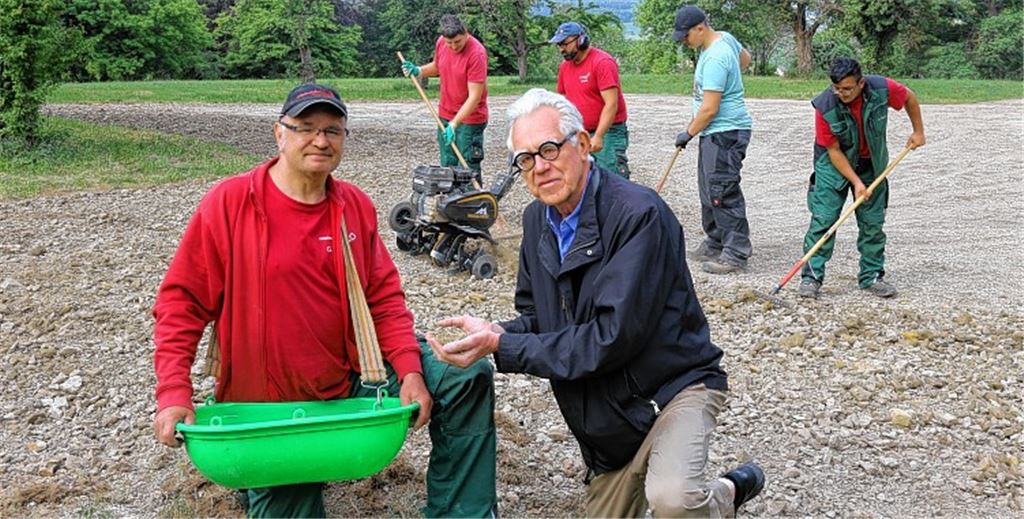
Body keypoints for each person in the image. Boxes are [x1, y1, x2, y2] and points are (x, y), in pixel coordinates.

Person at [151, 83, 497, 518]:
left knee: (465, 375)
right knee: (287, 501)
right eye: (306, 128)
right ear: (280, 133)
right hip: (271, 406)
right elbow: (181, 303)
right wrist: (174, 391)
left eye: (333, 130)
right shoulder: (231, 203)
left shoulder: (353, 205)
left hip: (352, 376)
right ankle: (260, 486)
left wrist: (409, 369)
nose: (320, 140)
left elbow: (383, 298)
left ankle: (462, 512)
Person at [425, 88, 764, 518]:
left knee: (672, 497)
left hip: (672, 389)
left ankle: (723, 495)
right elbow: (538, 317)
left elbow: (611, 337)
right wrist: (497, 333)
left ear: (583, 144)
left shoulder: (639, 214)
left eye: (549, 149)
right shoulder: (536, 220)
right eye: (525, 159)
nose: (540, 167)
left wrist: (504, 347)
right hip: (611, 418)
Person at [798, 57, 926, 299]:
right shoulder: (825, 106)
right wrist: (856, 183)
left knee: (872, 223)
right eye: (836, 88)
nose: (841, 93)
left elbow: (909, 97)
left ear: (861, 83)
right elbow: (833, 151)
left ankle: (872, 276)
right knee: (824, 220)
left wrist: (918, 131)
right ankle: (811, 277)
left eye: (847, 88)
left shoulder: (882, 89)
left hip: (871, 165)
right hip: (832, 165)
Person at [673, 5, 754, 275]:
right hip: (714, 132)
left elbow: (710, 109)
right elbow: (746, 60)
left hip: (725, 132)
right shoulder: (725, 39)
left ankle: (736, 253)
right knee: (708, 188)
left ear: (700, 28)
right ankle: (715, 241)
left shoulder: (716, 57)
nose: (684, 42)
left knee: (722, 191)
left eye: (686, 36)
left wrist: (688, 133)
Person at [402, 14, 489, 177]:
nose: (453, 46)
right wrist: (418, 70)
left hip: (470, 120)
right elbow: (437, 66)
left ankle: (472, 194)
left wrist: (454, 124)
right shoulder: (441, 43)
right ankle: (450, 194)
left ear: (466, 32)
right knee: (447, 165)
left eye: (457, 41)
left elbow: (475, 97)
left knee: (467, 169)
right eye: (449, 42)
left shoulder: (477, 54)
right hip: (445, 114)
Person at [549, 21, 631, 179]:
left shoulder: (602, 63)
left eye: (565, 44)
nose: (561, 49)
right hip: (580, 132)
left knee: (612, 177)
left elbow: (611, 104)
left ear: (581, 40)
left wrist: (598, 136)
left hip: (608, 132)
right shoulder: (564, 67)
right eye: (559, 45)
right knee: (582, 180)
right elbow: (562, 101)